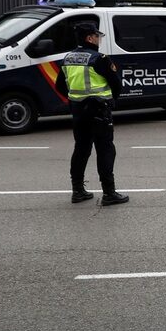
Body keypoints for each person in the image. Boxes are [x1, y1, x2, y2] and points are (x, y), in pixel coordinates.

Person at [54, 22, 128, 206]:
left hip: (78, 111)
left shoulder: (67, 58)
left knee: (81, 150)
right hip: (99, 111)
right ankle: (109, 194)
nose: (99, 39)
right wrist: (110, 101)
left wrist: (76, 99)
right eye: (97, 36)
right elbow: (116, 84)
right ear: (90, 38)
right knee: (105, 150)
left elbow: (60, 86)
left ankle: (77, 191)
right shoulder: (99, 59)